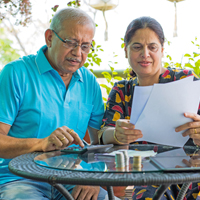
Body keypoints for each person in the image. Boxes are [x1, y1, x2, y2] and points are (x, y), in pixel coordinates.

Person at [0, 7, 120, 200]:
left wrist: (92, 177)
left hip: (74, 179)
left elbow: (98, 144)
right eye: (70, 43)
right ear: (49, 38)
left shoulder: (89, 83)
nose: (78, 53)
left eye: (85, 46)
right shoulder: (16, 73)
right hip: (20, 179)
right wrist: (41, 143)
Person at [98, 16, 200, 200]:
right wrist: (116, 134)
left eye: (152, 47)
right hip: (148, 174)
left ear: (162, 49)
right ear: (126, 50)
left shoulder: (185, 80)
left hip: (191, 169)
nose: (145, 54)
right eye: (137, 47)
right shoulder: (122, 90)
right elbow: (104, 133)